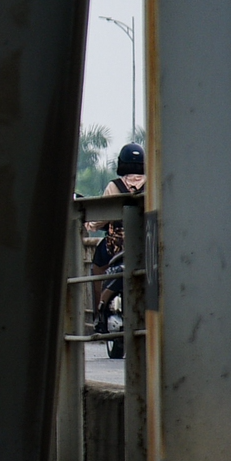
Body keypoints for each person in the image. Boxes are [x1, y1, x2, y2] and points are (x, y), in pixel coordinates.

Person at [91, 144, 144, 358]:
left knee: (96, 270)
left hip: (117, 245)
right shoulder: (154, 184)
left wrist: (90, 225)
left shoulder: (114, 187)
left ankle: (99, 315)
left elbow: (101, 217)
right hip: (143, 244)